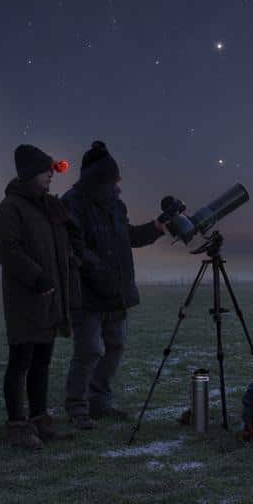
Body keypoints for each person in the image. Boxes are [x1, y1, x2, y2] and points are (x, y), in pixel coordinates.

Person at [62, 141, 165, 428]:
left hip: (116, 292)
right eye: (113, 181)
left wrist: (154, 229)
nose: (118, 187)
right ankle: (77, 408)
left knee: (115, 347)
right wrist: (99, 271)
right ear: (99, 180)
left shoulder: (116, 206)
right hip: (88, 293)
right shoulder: (72, 204)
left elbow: (126, 237)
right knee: (89, 350)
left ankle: (100, 403)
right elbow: (75, 246)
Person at [0, 144, 83, 449]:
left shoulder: (48, 208)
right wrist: (38, 276)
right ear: (30, 174)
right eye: (45, 172)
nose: (50, 177)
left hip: (50, 297)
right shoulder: (10, 208)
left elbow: (61, 248)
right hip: (25, 298)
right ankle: (17, 425)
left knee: (42, 360)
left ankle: (39, 418)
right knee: (21, 360)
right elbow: (10, 251)